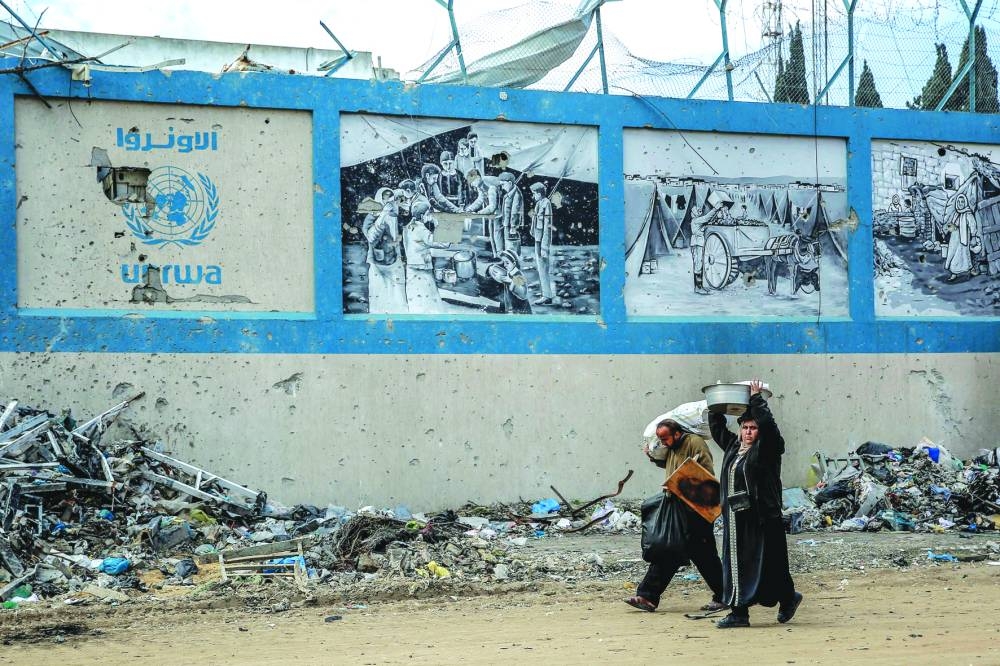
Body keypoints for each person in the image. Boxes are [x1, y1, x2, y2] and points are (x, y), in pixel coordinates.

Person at [709, 380, 803, 629]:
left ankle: (787, 597)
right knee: (736, 563)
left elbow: (770, 429)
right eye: (745, 427)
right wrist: (716, 406)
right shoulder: (732, 447)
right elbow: (716, 426)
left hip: (761, 517)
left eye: (753, 428)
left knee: (771, 564)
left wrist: (756, 399)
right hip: (736, 519)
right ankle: (739, 613)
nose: (749, 432)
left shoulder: (767, 449)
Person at [624, 419, 725, 614]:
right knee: (670, 549)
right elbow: (671, 464)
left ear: (677, 434)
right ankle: (647, 597)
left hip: (696, 510)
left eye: (665, 438)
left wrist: (682, 480)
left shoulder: (694, 442)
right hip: (678, 507)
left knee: (704, 556)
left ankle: (725, 596)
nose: (663, 443)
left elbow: (705, 474)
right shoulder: (673, 447)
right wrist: (653, 458)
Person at [362, 187, 407, 313]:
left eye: (390, 196)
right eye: (385, 196)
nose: (388, 199)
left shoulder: (395, 214)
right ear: (379, 199)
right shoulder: (372, 215)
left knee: (398, 294)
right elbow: (371, 237)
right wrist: (382, 215)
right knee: (380, 294)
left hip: (394, 260)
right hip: (378, 263)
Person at [403, 200, 451, 313]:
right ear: (421, 216)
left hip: (411, 267)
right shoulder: (422, 230)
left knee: (414, 296)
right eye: (428, 214)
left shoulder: (407, 227)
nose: (429, 217)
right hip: (422, 268)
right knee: (428, 298)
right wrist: (438, 224)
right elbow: (443, 243)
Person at [944, 192, 981, 282]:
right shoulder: (956, 213)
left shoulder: (968, 213)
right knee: (952, 254)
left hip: (963, 237)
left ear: (965, 203)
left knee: (963, 254)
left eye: (962, 202)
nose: (960, 204)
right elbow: (952, 224)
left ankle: (970, 269)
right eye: (959, 202)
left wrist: (973, 236)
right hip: (954, 238)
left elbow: (973, 225)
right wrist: (950, 227)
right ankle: (954, 273)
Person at [529, 182, 555, 305]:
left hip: (542, 240)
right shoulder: (539, 204)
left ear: (539, 193)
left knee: (543, 267)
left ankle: (547, 295)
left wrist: (545, 246)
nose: (533, 196)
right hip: (537, 238)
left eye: (534, 194)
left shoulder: (546, 204)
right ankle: (545, 293)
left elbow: (547, 226)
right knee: (540, 267)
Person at [498, 172, 524, 257]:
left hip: (511, 225)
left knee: (511, 247)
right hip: (507, 224)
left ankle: (512, 262)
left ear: (509, 183)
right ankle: (509, 261)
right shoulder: (509, 193)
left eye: (503, 185)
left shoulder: (516, 195)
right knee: (508, 245)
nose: (502, 187)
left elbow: (515, 212)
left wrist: (513, 227)